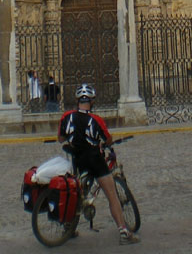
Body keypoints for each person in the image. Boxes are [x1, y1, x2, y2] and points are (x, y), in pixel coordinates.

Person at [58, 83, 139, 245]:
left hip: (77, 160)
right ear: (92, 101)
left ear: (77, 100)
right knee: (112, 196)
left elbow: (60, 138)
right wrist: (103, 143)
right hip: (95, 160)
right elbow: (107, 139)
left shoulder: (66, 116)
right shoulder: (96, 120)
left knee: (78, 192)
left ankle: (69, 227)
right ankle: (124, 232)